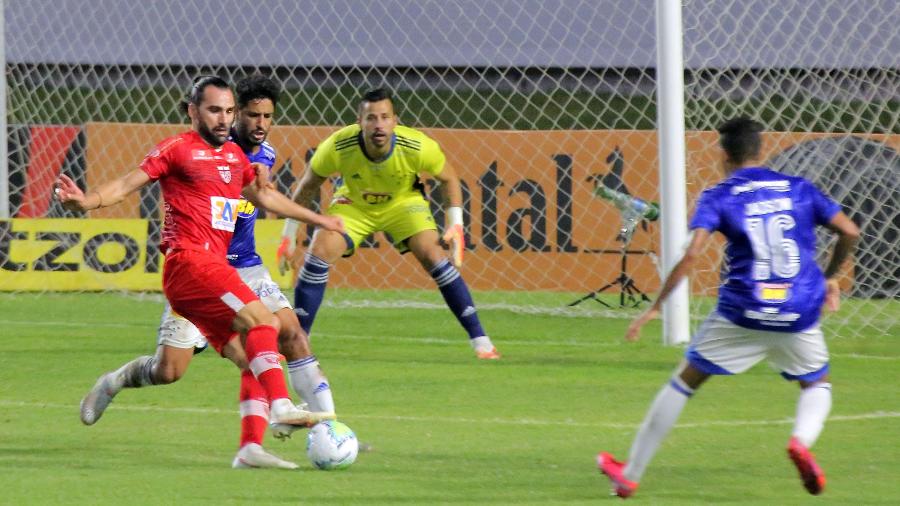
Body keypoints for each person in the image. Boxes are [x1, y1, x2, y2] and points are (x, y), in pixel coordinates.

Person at [56, 75, 344, 466]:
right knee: (263, 325)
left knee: (231, 360)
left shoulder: (235, 157)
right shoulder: (177, 149)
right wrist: (86, 201)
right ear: (193, 111)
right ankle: (280, 405)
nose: (224, 119)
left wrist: (320, 220)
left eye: (228, 111)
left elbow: (264, 195)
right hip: (191, 265)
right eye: (215, 110)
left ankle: (247, 448)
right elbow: (126, 184)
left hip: (217, 271)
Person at [597, 117, 860, 498]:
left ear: (723, 154)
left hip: (743, 310)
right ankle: (800, 442)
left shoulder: (719, 195)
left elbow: (692, 256)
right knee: (816, 383)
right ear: (761, 150)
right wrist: (830, 278)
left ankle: (630, 474)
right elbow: (850, 231)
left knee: (683, 383)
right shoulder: (798, 188)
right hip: (798, 309)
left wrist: (655, 307)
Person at [276, 88, 499, 360]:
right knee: (319, 253)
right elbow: (308, 186)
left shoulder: (417, 146)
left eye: (384, 117)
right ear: (360, 122)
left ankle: (482, 342)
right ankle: (298, 341)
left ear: (396, 121)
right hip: (354, 204)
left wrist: (456, 226)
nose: (378, 124)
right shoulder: (338, 146)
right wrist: (288, 235)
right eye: (371, 118)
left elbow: (449, 178)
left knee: (435, 256)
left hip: (403, 204)